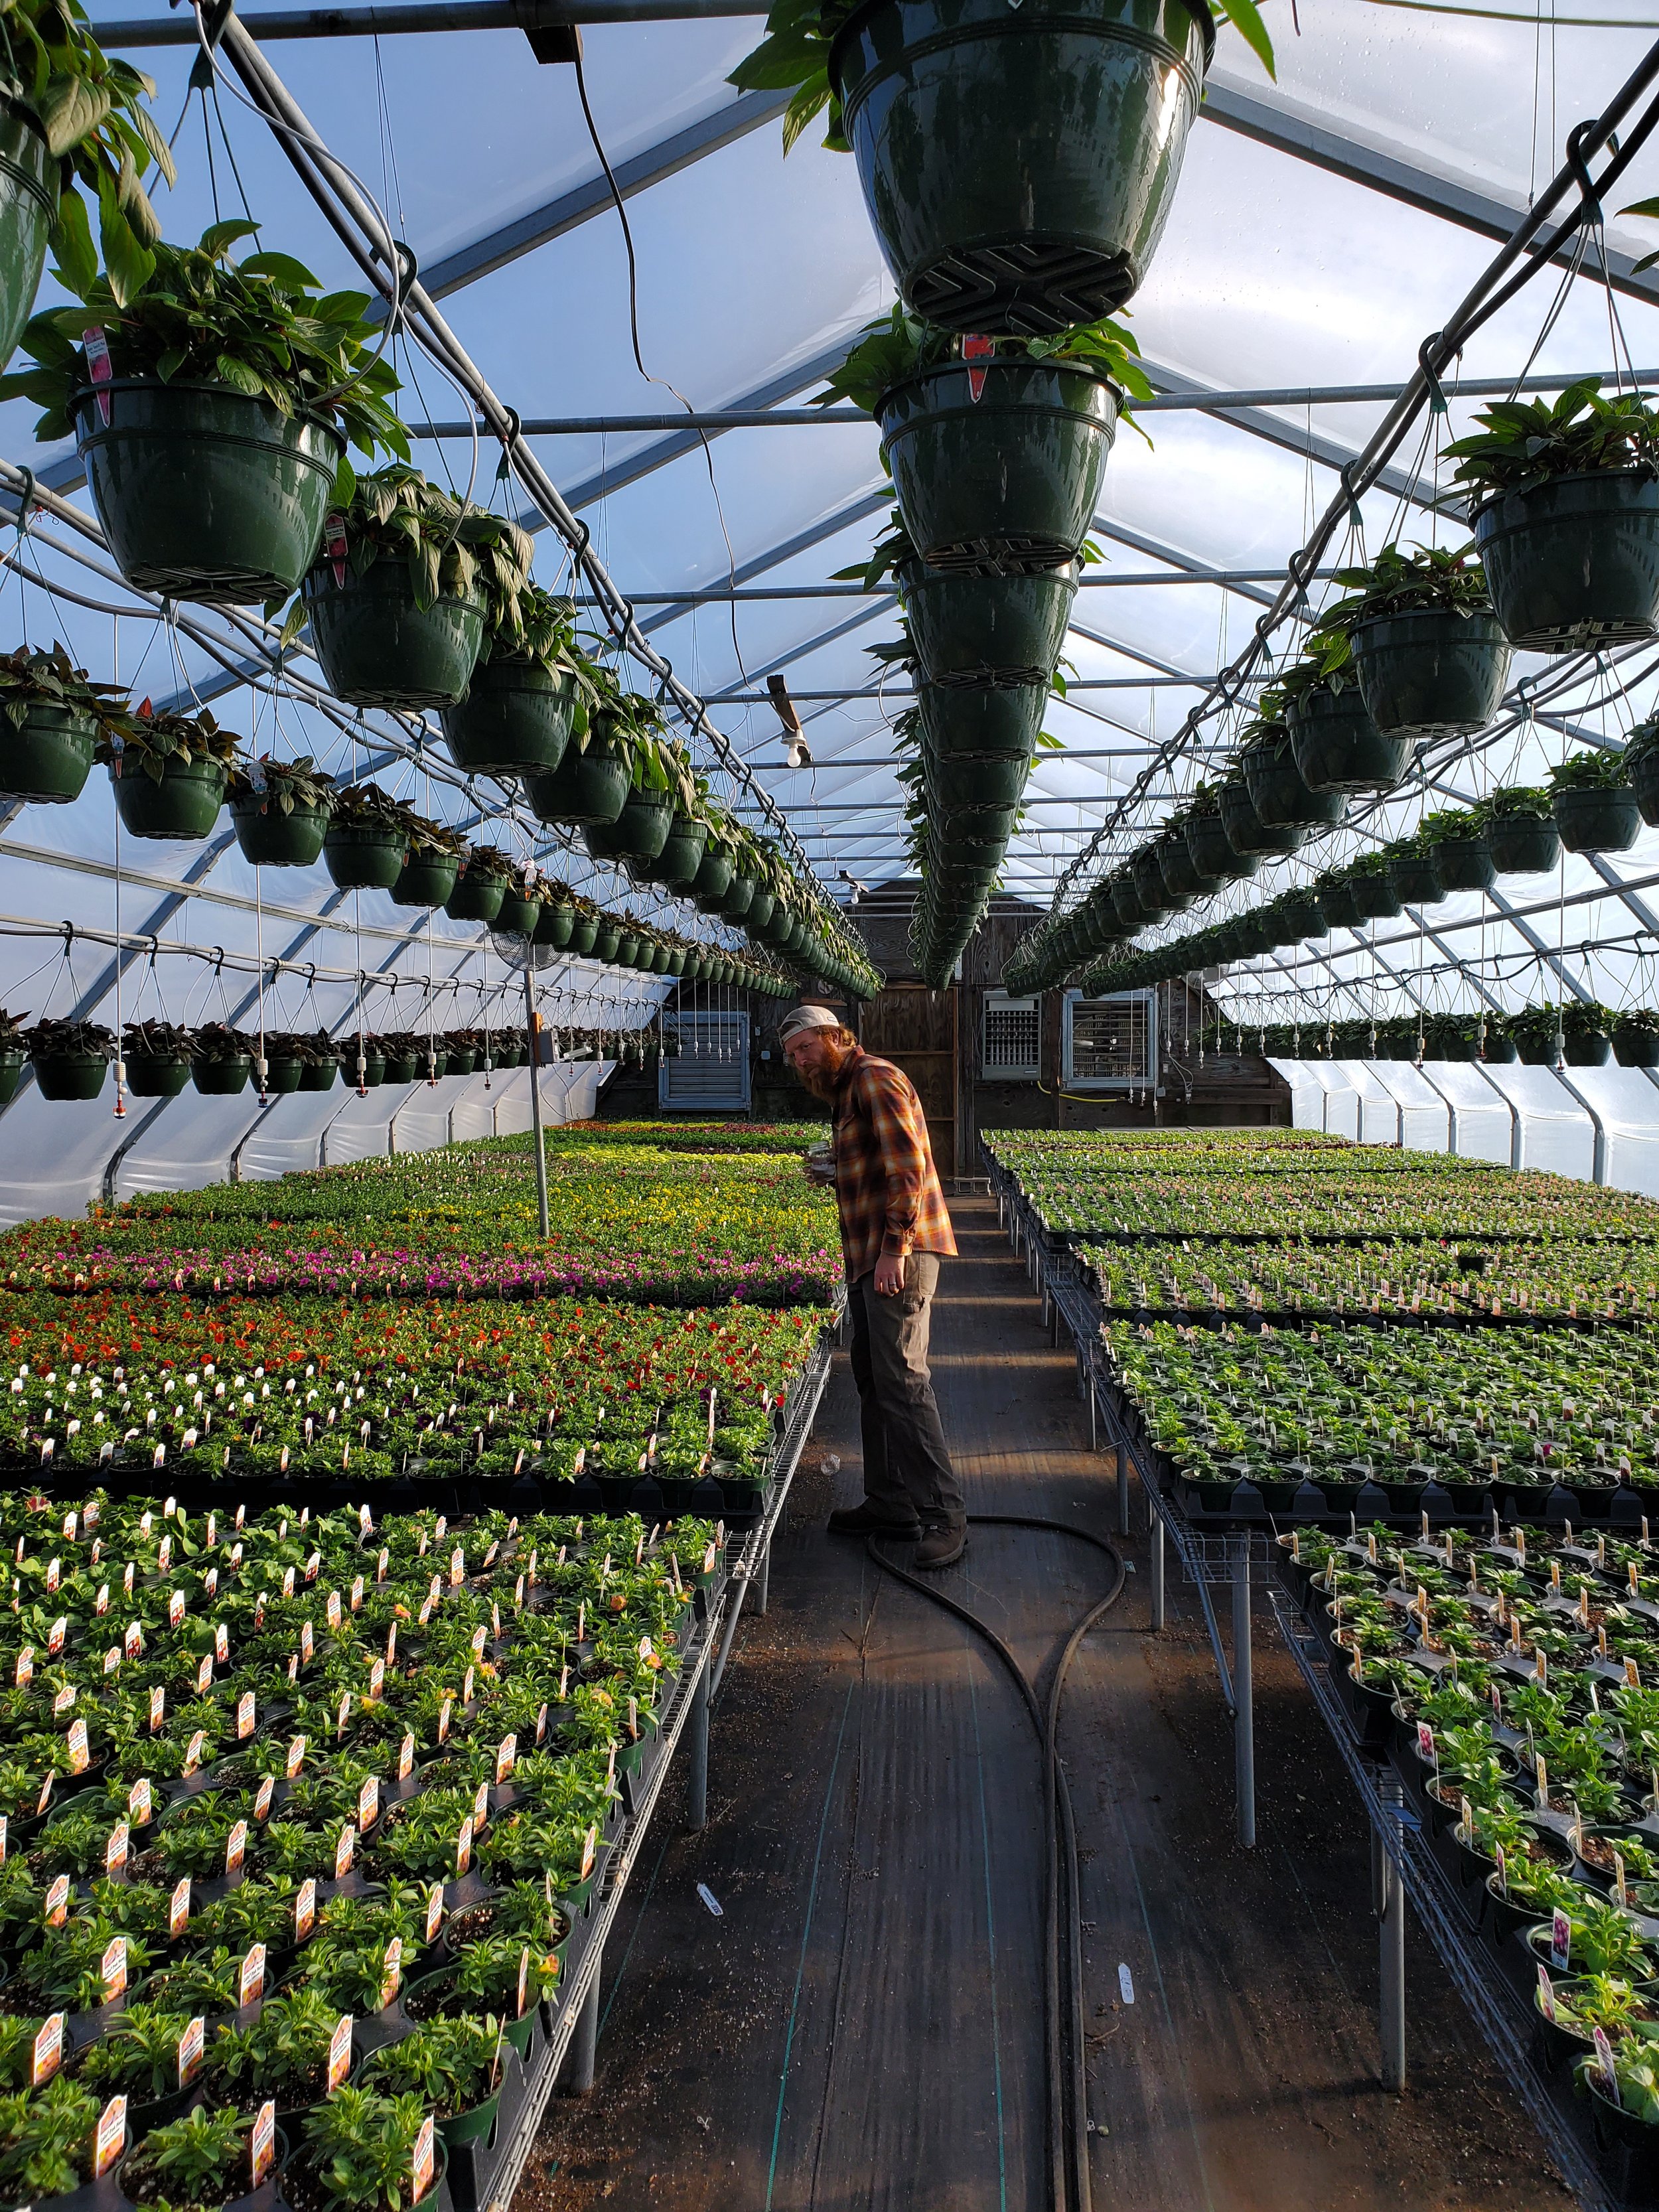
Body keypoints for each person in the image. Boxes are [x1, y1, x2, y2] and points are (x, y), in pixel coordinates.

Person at [778, 1002, 966, 1568]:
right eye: (791, 1055)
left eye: (806, 1047)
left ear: (835, 1036)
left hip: (896, 1254)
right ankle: (892, 1501)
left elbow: (909, 1166)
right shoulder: (847, 1092)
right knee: (874, 1376)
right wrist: (838, 1168)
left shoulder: (874, 1078)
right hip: (869, 1256)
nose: (799, 1061)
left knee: (904, 1381)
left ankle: (944, 1514)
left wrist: (894, 1249)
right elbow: (880, 1162)